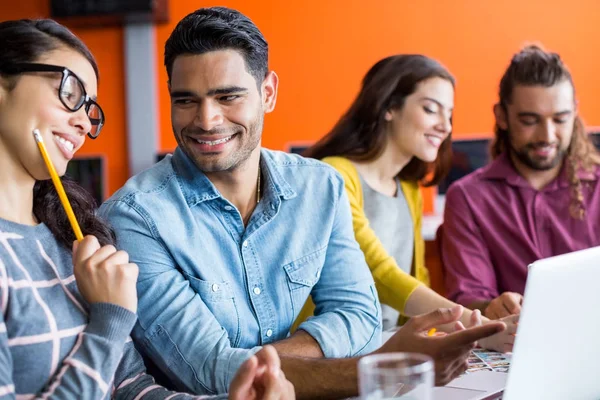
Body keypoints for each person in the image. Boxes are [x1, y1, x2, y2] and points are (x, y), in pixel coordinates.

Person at [99, 7, 506, 399]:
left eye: (228, 97)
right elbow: (207, 373)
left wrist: (248, 364)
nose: (206, 120)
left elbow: (360, 318)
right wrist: (384, 367)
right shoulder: (135, 218)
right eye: (186, 100)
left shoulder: (319, 187)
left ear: (268, 92)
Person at [0, 18, 293, 399]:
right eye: (69, 92)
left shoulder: (70, 239)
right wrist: (109, 322)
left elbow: (130, 388)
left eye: (89, 107)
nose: (82, 122)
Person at [301, 54, 517, 352]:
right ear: (389, 107)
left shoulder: (409, 188)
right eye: (431, 109)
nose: (444, 126)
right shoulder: (336, 175)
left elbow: (418, 280)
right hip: (334, 349)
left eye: (449, 115)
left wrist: (444, 336)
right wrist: (475, 329)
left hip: (390, 345)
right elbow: (381, 274)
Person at [440, 44, 600, 319]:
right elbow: (468, 299)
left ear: (574, 112)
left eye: (560, 119)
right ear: (501, 116)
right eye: (529, 121)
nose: (547, 135)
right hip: (513, 346)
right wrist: (491, 306)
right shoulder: (468, 198)